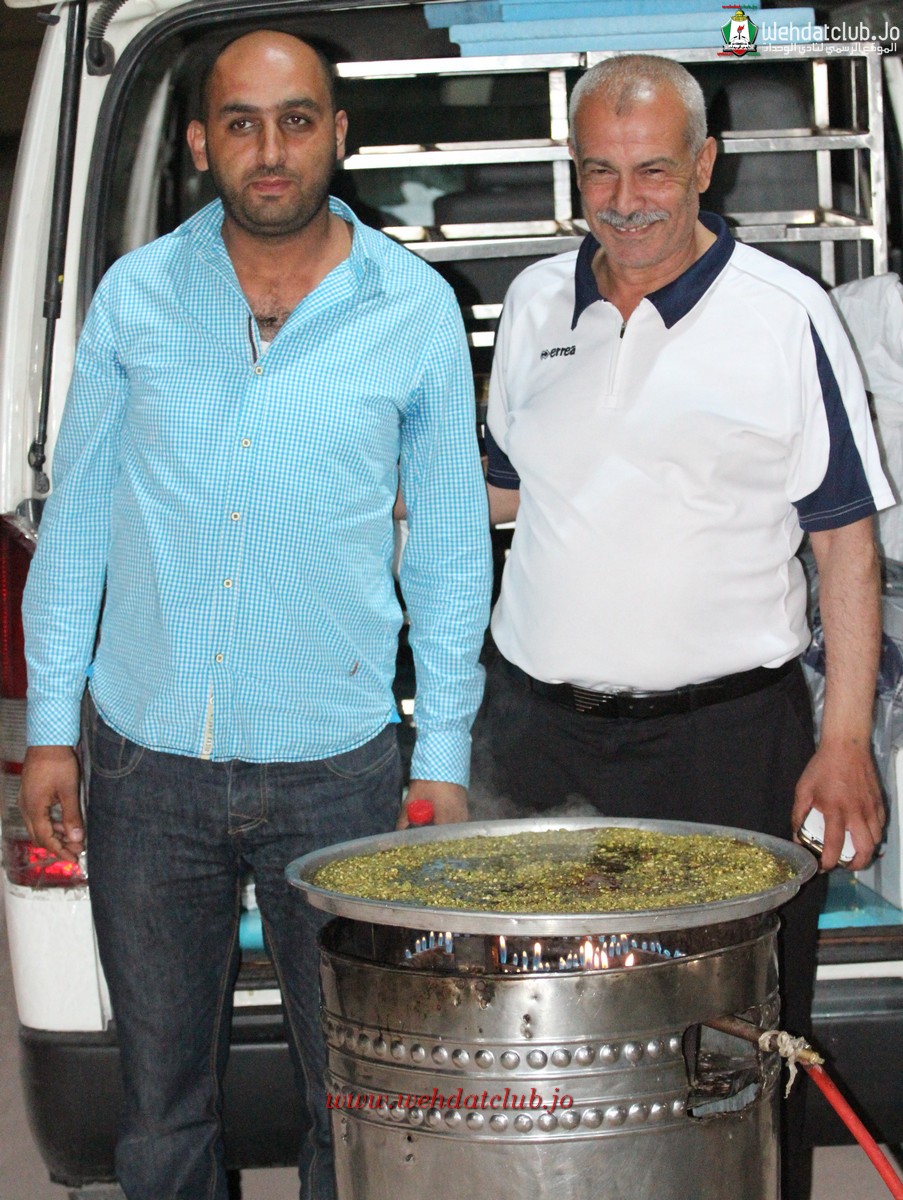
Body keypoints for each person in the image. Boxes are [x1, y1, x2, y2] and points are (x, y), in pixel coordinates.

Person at [20, 30, 491, 1200]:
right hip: (147, 764)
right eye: (241, 121)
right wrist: (50, 730)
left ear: (339, 134)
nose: (269, 150)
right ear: (200, 142)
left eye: (295, 120)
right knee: (160, 1106)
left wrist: (441, 755)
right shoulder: (136, 298)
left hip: (337, 769)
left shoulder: (412, 309)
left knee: (354, 1095)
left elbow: (446, 549)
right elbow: (78, 521)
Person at [475, 54, 893, 1198]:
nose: (625, 201)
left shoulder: (784, 315)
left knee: (732, 1052)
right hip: (537, 745)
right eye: (599, 173)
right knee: (546, 1044)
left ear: (706, 164)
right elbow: (504, 489)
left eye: (654, 170)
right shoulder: (532, 305)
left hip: (727, 748)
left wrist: (843, 742)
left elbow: (845, 541)